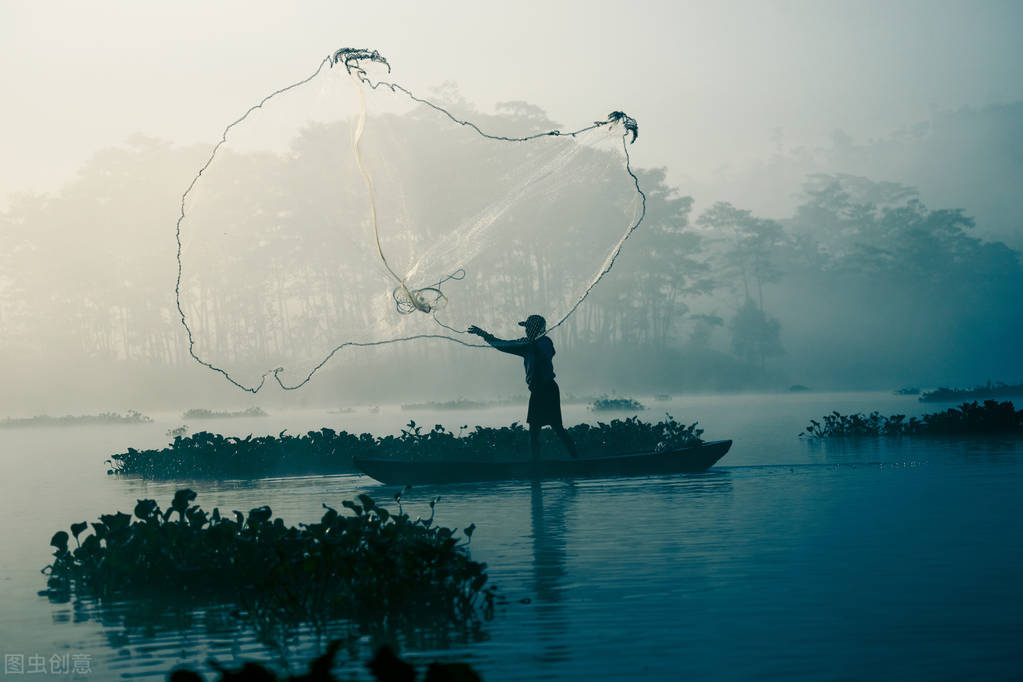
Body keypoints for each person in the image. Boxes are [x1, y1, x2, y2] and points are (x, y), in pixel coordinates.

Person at [468, 315, 579, 461]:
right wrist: (483, 334)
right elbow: (502, 344)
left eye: (529, 327)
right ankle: (535, 464)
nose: (526, 330)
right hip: (537, 391)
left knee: (557, 428)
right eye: (526, 328)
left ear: (536, 329)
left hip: (548, 389)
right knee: (534, 431)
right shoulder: (526, 345)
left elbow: (547, 354)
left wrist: (532, 345)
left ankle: (576, 460)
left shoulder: (544, 342)